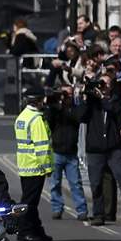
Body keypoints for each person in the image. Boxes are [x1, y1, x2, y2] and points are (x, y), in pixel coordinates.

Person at [82, 75, 121, 226]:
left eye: (105, 83)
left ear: (111, 86)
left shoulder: (117, 100)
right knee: (96, 183)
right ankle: (99, 214)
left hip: (113, 147)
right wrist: (87, 97)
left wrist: (102, 98)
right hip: (95, 149)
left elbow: (115, 112)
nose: (102, 86)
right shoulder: (92, 102)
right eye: (101, 83)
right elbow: (81, 117)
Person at [14, 91, 53, 241]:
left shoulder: (22, 117)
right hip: (36, 166)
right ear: (38, 102)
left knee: (31, 201)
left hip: (25, 165)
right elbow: (41, 147)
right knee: (29, 202)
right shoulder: (36, 120)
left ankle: (37, 230)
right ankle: (24, 231)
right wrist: (48, 168)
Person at [44, 85, 87, 220]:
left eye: (68, 94)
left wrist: (76, 100)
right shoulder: (55, 109)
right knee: (54, 184)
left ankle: (82, 210)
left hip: (71, 153)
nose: (66, 96)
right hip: (56, 152)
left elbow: (79, 117)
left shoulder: (75, 108)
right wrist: (53, 104)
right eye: (64, 94)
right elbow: (48, 120)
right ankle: (57, 208)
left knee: (76, 183)